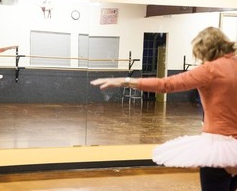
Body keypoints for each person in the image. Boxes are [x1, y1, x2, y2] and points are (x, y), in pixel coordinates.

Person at [91, 26, 237, 191]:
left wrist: (125, 80)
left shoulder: (209, 70)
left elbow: (166, 84)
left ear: (204, 50)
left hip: (219, 146)